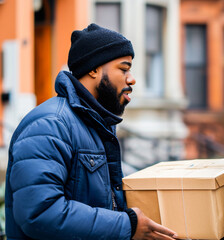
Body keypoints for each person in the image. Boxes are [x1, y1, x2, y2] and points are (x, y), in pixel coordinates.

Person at [5, 23, 178, 240]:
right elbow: (39, 214)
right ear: (94, 69)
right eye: (124, 69)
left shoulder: (96, 125)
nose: (132, 79)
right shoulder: (50, 125)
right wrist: (128, 225)